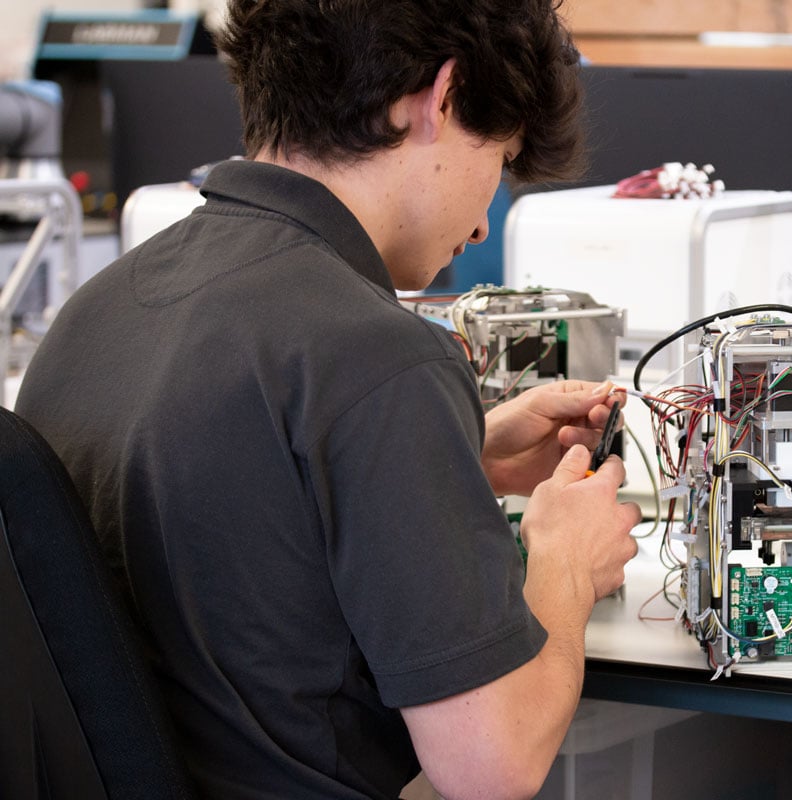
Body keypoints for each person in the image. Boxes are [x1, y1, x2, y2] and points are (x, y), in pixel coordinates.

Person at [15, 0, 642, 798]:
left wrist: (455, 454)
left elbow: (225, 516)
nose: (485, 224)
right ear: (440, 101)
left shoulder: (98, 311)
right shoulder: (377, 354)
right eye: (502, 157)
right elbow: (494, 765)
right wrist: (566, 562)